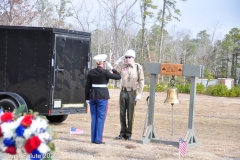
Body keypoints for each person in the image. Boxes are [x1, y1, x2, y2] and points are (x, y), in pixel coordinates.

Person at [85, 54, 121, 144]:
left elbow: (87, 86)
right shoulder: (106, 72)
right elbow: (118, 76)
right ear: (103, 63)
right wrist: (112, 68)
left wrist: (87, 98)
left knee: (94, 118)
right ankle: (98, 140)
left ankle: (93, 139)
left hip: (92, 96)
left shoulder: (91, 72)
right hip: (102, 97)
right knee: (101, 118)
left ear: (97, 63)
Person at [114, 49, 144, 141]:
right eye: (126, 57)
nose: (127, 59)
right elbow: (114, 71)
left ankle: (129, 133)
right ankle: (122, 132)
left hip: (132, 92)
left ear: (133, 58)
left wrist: (139, 93)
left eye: (129, 57)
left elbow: (141, 80)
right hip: (123, 91)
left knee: (130, 114)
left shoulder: (138, 67)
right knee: (122, 113)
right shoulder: (123, 67)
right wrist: (117, 62)